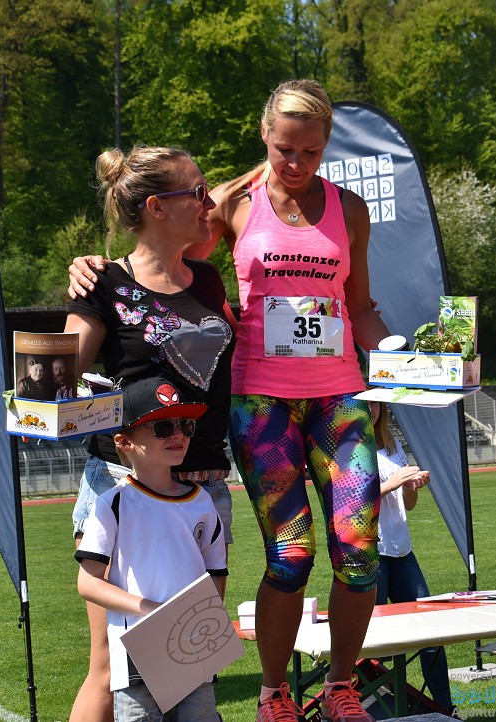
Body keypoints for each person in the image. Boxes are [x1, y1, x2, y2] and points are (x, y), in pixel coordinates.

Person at [69, 80, 391, 722]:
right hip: (260, 402)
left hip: (337, 398)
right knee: (291, 552)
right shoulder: (233, 208)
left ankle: (342, 686)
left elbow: (358, 308)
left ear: (327, 146)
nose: (294, 164)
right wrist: (90, 269)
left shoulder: (350, 211)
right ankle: (276, 695)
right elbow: (157, 253)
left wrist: (406, 365)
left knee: (358, 548)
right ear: (264, 140)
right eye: (282, 149)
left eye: (310, 151)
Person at [65, 145, 236, 722]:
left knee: (187, 666)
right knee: (112, 668)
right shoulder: (102, 283)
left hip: (203, 490)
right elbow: (61, 385)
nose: (208, 202)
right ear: (159, 207)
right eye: (197, 192)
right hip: (126, 489)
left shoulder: (209, 280)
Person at [75, 376, 227, 721]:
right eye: (161, 427)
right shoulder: (111, 504)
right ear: (124, 442)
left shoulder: (202, 501)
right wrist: (149, 609)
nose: (178, 435)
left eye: (185, 425)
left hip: (192, 643)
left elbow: (216, 574)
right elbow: (88, 583)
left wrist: (205, 623)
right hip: (138, 647)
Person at [369, 400, 453, 713]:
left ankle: (445, 708)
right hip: (371, 553)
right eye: (365, 404)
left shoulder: (391, 444)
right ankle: (374, 709)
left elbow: (411, 503)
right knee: (371, 640)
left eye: (376, 404)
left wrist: (413, 486)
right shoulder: (349, 448)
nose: (372, 409)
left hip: (401, 549)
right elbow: (354, 501)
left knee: (430, 630)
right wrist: (393, 482)